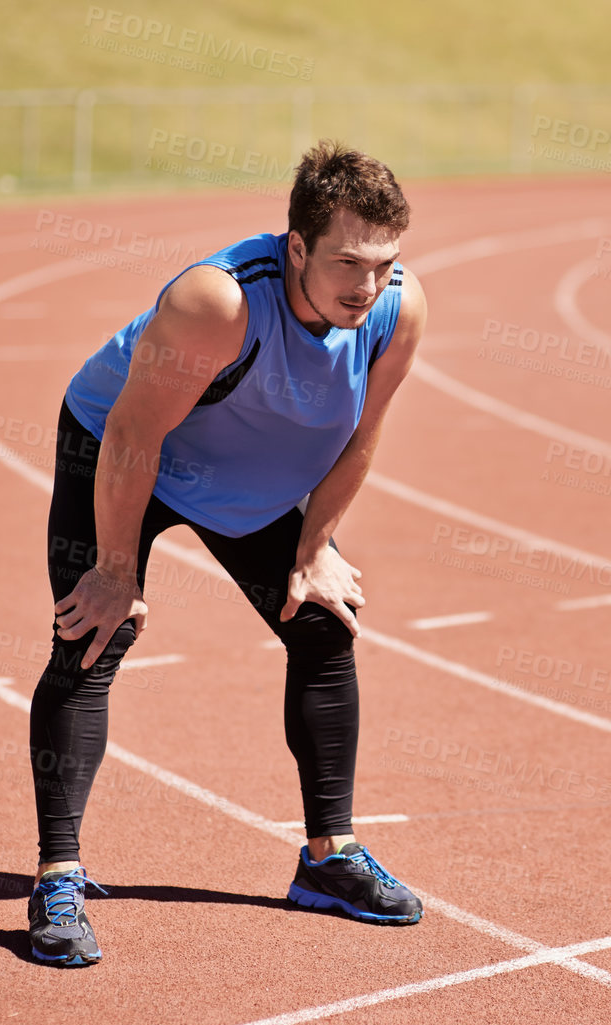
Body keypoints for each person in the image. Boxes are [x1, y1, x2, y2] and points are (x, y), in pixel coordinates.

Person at [25, 140, 427, 966]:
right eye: (347, 261)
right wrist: (113, 569)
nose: (367, 283)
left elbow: (363, 435)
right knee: (92, 634)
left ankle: (328, 859)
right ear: (296, 249)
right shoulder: (216, 303)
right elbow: (135, 433)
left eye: (384, 263)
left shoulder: (396, 308)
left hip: (243, 466)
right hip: (125, 449)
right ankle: (57, 875)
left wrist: (314, 548)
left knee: (321, 623)